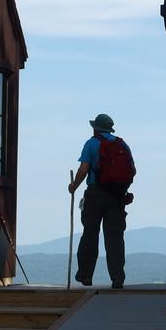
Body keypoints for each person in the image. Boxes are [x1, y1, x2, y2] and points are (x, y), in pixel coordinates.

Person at [67, 113, 134, 289]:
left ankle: (85, 276)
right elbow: (131, 171)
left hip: (95, 195)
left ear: (96, 127)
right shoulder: (122, 145)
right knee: (115, 238)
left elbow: (84, 169)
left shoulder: (91, 143)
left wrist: (74, 186)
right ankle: (117, 278)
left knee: (90, 234)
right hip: (116, 197)